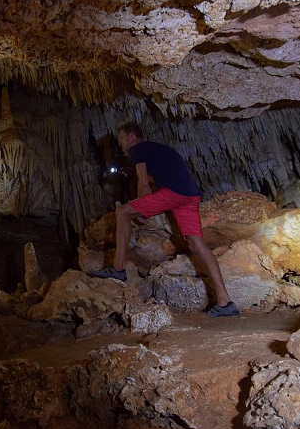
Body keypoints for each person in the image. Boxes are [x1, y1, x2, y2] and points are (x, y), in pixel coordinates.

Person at [89, 122, 240, 317]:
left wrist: (143, 211)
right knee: (196, 244)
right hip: (190, 195)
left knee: (122, 212)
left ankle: (118, 268)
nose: (121, 142)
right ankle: (225, 301)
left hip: (175, 193)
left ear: (132, 136)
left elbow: (144, 183)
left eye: (122, 138)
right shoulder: (155, 149)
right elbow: (161, 176)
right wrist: (134, 173)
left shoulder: (137, 149)